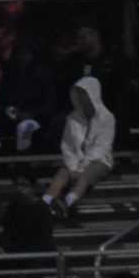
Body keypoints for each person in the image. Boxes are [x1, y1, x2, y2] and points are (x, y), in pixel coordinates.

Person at [44, 76, 116, 217]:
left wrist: (81, 168)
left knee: (86, 175)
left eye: (83, 94)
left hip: (99, 160)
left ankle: (66, 204)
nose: (80, 98)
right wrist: (72, 167)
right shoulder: (72, 118)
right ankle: (45, 204)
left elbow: (102, 147)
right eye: (78, 95)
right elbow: (67, 145)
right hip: (76, 162)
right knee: (62, 174)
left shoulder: (107, 118)